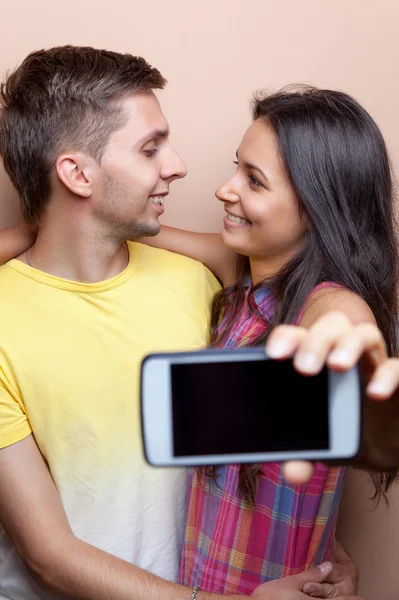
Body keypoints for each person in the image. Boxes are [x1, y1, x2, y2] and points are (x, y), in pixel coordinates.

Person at [0, 45, 362, 600]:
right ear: (76, 172)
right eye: (151, 148)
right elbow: (50, 556)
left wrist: (318, 555)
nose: (179, 166)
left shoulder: (205, 282)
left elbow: (259, 455)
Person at [133, 86, 399, 596]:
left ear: (317, 207)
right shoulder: (240, 269)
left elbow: (342, 318)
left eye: (253, 181)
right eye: (237, 167)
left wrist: (352, 336)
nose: (224, 189)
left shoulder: (325, 304)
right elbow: (135, 228)